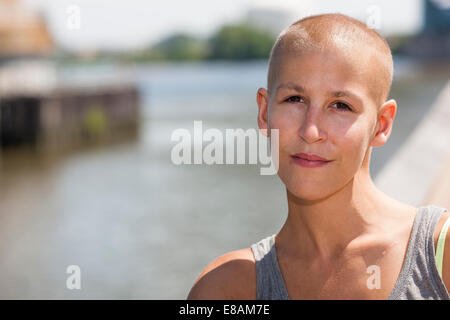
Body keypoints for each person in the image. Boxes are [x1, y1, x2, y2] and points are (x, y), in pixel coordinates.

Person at [187, 13, 450, 299]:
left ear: (382, 124)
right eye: (294, 100)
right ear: (264, 113)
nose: (311, 131)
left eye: (340, 105)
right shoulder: (227, 288)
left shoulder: (440, 255)